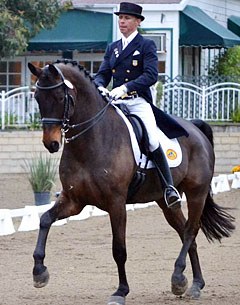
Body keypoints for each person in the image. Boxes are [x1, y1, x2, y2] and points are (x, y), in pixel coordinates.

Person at [94, 2, 181, 208]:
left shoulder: (146, 45)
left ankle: (169, 187)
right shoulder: (113, 48)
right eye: (120, 18)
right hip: (115, 102)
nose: (122, 22)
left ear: (137, 22)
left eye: (127, 18)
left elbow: (151, 75)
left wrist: (125, 88)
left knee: (151, 139)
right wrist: (99, 86)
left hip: (137, 102)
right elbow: (103, 74)